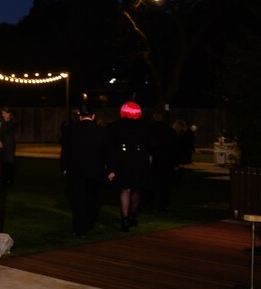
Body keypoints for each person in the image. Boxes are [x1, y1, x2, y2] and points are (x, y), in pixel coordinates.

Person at [60, 104, 109, 237]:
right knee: (92, 199)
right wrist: (110, 168)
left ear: (80, 116)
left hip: (76, 171)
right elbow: (107, 152)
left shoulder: (70, 130)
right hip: (95, 171)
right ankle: (89, 223)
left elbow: (65, 151)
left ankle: (79, 228)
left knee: (77, 201)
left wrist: (64, 167)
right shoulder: (102, 131)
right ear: (93, 116)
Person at [107, 101, 153, 232]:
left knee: (126, 190)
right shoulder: (145, 126)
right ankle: (132, 216)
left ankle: (125, 219)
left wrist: (111, 166)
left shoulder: (116, 125)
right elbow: (150, 144)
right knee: (136, 190)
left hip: (123, 161)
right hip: (139, 161)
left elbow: (110, 146)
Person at [147, 110, 178, 211]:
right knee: (165, 184)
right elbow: (174, 147)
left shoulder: (150, 129)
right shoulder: (169, 130)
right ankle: (163, 204)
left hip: (155, 160)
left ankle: (151, 203)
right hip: (167, 161)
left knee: (152, 183)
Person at [0, 107, 18, 188]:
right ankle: (3, 178)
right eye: (2, 113)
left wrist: (5, 120)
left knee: (9, 161)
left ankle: (9, 179)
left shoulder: (13, 121)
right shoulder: (3, 121)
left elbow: (6, 129)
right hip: (3, 143)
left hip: (9, 143)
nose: (3, 115)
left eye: (4, 113)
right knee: (3, 160)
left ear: (8, 113)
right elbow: (0, 132)